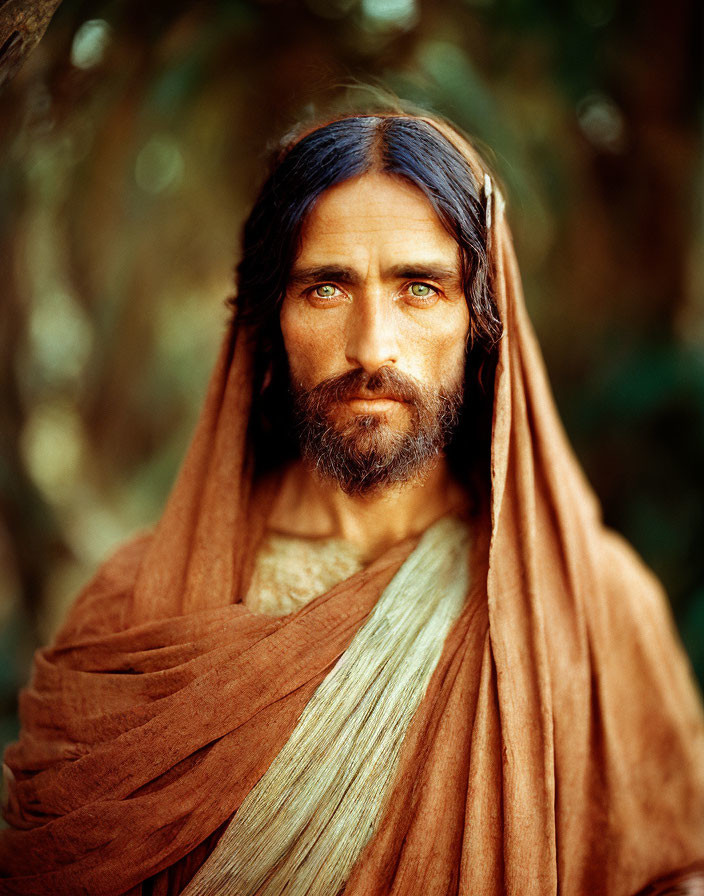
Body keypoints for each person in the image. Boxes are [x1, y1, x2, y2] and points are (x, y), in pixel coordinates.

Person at [1, 109, 703, 896]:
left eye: (420, 288)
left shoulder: (595, 611)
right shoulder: (134, 613)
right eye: (327, 287)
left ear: (480, 324)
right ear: (270, 325)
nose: (372, 345)